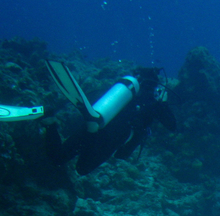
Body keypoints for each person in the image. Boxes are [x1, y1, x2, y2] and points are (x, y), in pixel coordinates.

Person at [45, 65, 177, 175]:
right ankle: (91, 130)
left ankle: (49, 120)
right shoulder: (153, 103)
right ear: (155, 87)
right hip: (113, 136)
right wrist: (163, 102)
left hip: (98, 117)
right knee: (82, 168)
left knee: (58, 158)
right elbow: (172, 125)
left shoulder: (123, 94)